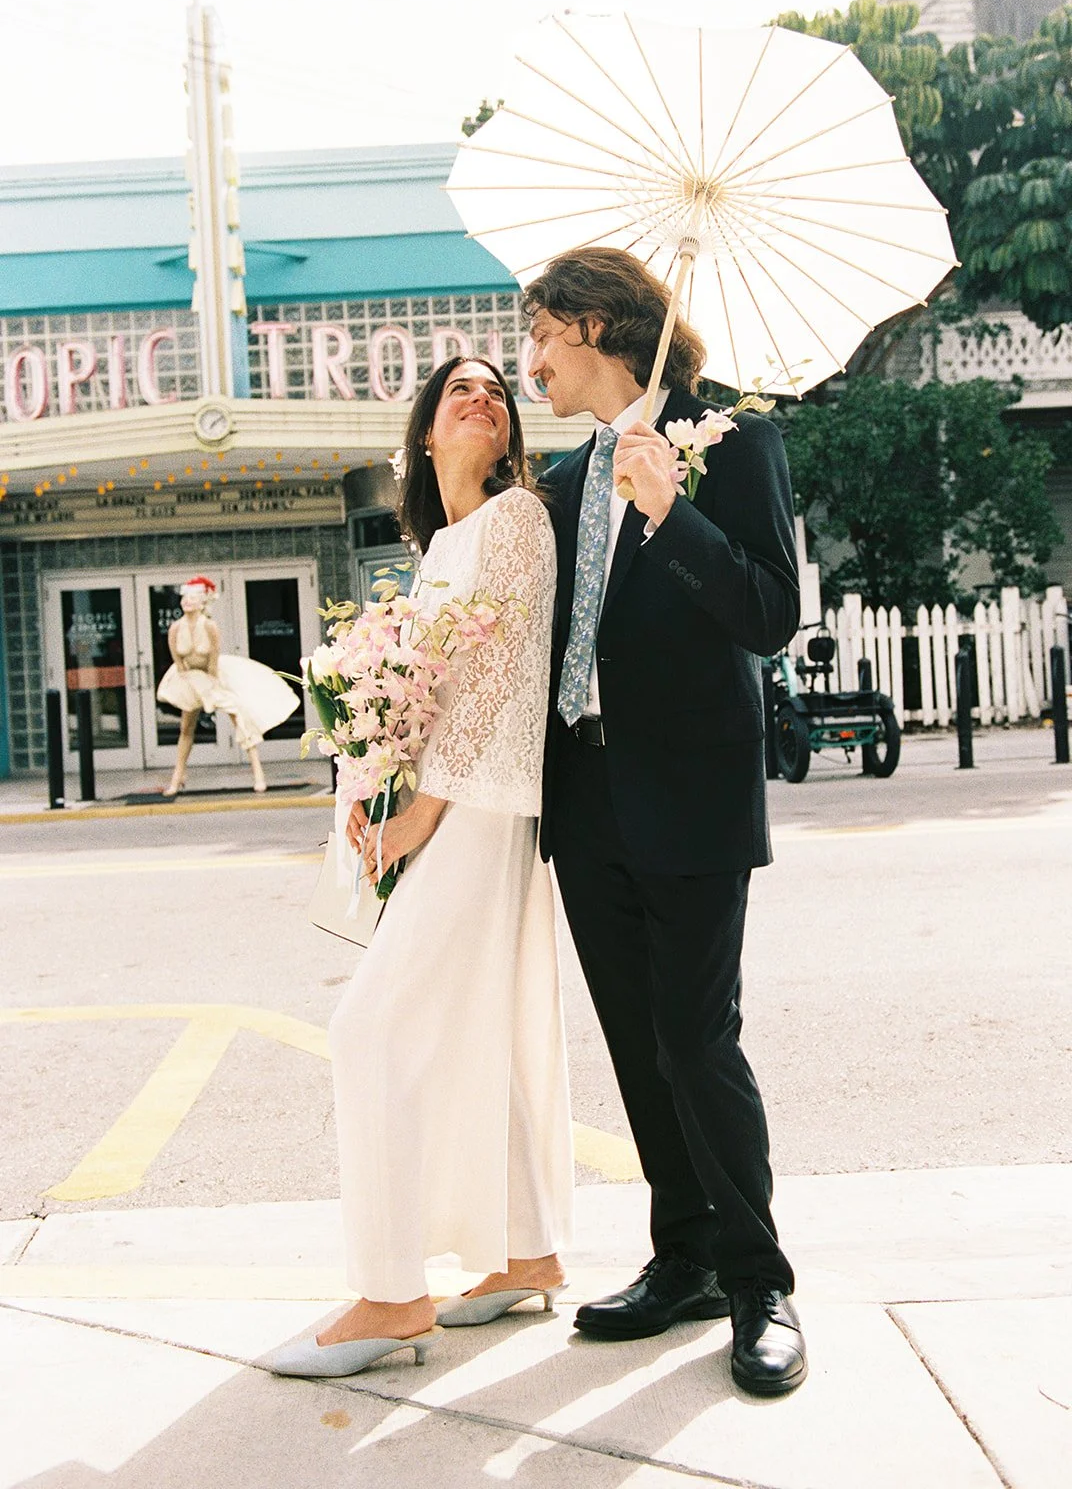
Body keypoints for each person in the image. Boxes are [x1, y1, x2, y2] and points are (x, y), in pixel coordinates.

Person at [527, 247, 807, 1397]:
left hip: (689, 789)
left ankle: (759, 1280)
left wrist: (669, 513)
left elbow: (772, 613)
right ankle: (681, 1256)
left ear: (593, 327)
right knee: (642, 1049)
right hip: (583, 796)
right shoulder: (560, 480)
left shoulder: (730, 439)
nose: (529, 358)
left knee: (697, 1040)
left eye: (539, 332)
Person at [265, 357, 573, 1380]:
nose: (482, 397)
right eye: (458, 391)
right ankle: (524, 1250)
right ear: (426, 435)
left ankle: (394, 1294)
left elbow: (494, 674)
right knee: (489, 1022)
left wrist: (424, 811)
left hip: (481, 806)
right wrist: (369, 787)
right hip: (449, 802)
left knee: (371, 1028)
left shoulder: (518, 518)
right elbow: (415, 688)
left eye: (497, 389)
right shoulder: (441, 544)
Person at [156, 575, 298, 796]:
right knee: (186, 729)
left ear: (203, 601)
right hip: (189, 680)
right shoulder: (175, 629)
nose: (187, 602)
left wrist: (211, 689)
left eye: (193, 598)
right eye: (185, 597)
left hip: (213, 677)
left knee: (241, 720)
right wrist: (195, 688)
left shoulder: (210, 626)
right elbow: (179, 664)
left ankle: (258, 774)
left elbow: (213, 662)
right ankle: (177, 777)